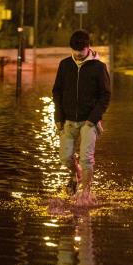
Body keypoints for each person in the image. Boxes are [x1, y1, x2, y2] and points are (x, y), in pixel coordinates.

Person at [52, 29, 111, 201]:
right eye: (75, 51)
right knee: (64, 157)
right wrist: (58, 118)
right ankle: (75, 173)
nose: (77, 54)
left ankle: (85, 194)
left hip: (89, 122)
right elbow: (57, 91)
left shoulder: (99, 67)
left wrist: (93, 119)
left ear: (88, 47)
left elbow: (105, 95)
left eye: (81, 51)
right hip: (68, 121)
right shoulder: (64, 65)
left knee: (86, 159)